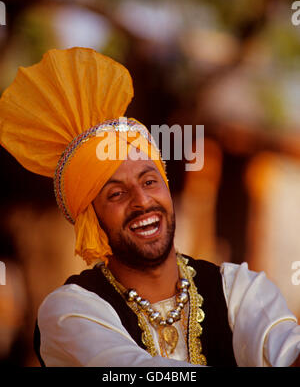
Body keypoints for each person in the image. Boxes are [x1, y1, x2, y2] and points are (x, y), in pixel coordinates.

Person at [0, 47, 299, 368]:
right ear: (90, 219)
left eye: (149, 181)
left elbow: (286, 353)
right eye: (115, 194)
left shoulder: (241, 289)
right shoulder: (70, 311)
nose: (142, 201)